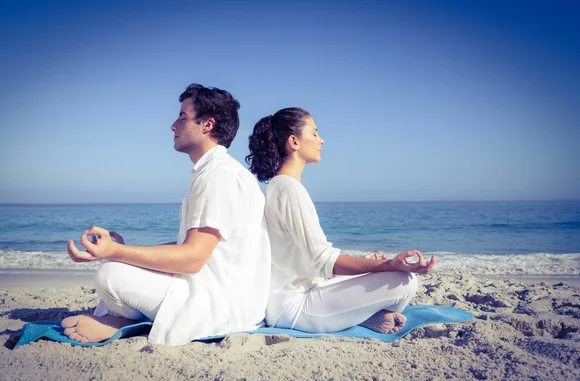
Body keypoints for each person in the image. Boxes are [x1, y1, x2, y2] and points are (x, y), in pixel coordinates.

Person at [63, 84, 271, 346]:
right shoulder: (216, 171)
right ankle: (127, 318)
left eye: (183, 117)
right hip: (227, 297)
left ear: (207, 125)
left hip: (222, 305)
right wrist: (123, 249)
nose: (173, 125)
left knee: (110, 273)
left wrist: (112, 253)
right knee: (119, 265)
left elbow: (192, 259)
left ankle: (123, 321)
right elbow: (191, 248)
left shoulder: (219, 175)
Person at [246, 107, 435, 334]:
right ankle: (359, 318)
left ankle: (361, 316)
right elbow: (323, 259)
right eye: (314, 133)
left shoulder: (280, 186)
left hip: (302, 290)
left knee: (388, 275)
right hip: (292, 307)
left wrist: (366, 266)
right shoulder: (288, 188)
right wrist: (387, 265)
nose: (321, 140)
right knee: (404, 281)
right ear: (294, 142)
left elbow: (308, 260)